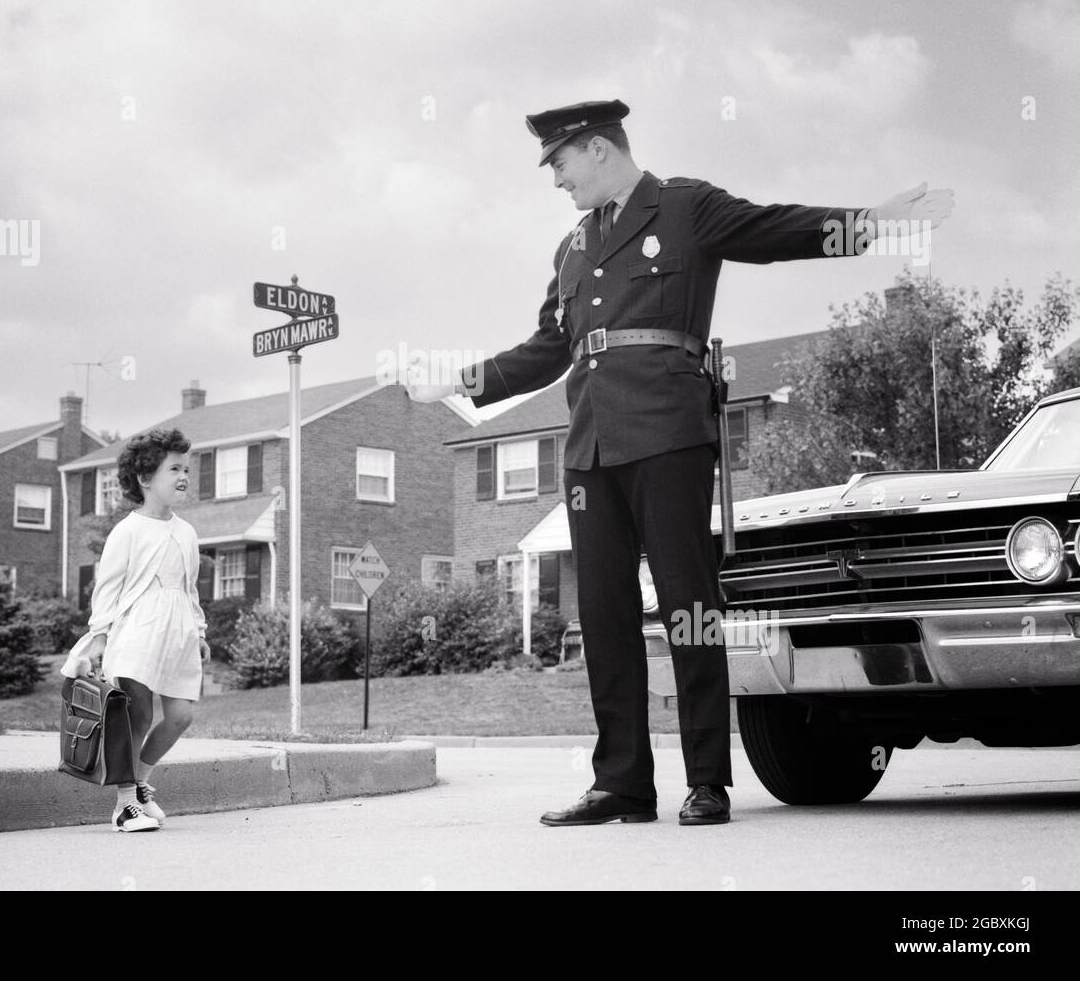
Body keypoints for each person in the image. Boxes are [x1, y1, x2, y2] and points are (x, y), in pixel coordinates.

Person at [406, 99, 953, 826]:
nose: (556, 181)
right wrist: (457, 380)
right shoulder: (571, 248)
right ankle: (622, 784)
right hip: (590, 449)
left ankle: (706, 781)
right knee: (602, 616)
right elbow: (547, 349)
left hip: (669, 433)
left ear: (598, 149)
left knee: (689, 608)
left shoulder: (685, 207)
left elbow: (776, 228)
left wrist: (875, 223)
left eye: (560, 164)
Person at [61, 428, 211, 833]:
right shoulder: (128, 530)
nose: (184, 475)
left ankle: (140, 782)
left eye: (186, 468)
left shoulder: (187, 531)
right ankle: (125, 805)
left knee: (181, 715)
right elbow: (107, 588)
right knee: (138, 715)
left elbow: (189, 587)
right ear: (145, 479)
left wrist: (198, 631)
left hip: (177, 633)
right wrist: (100, 637)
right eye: (174, 468)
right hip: (138, 631)